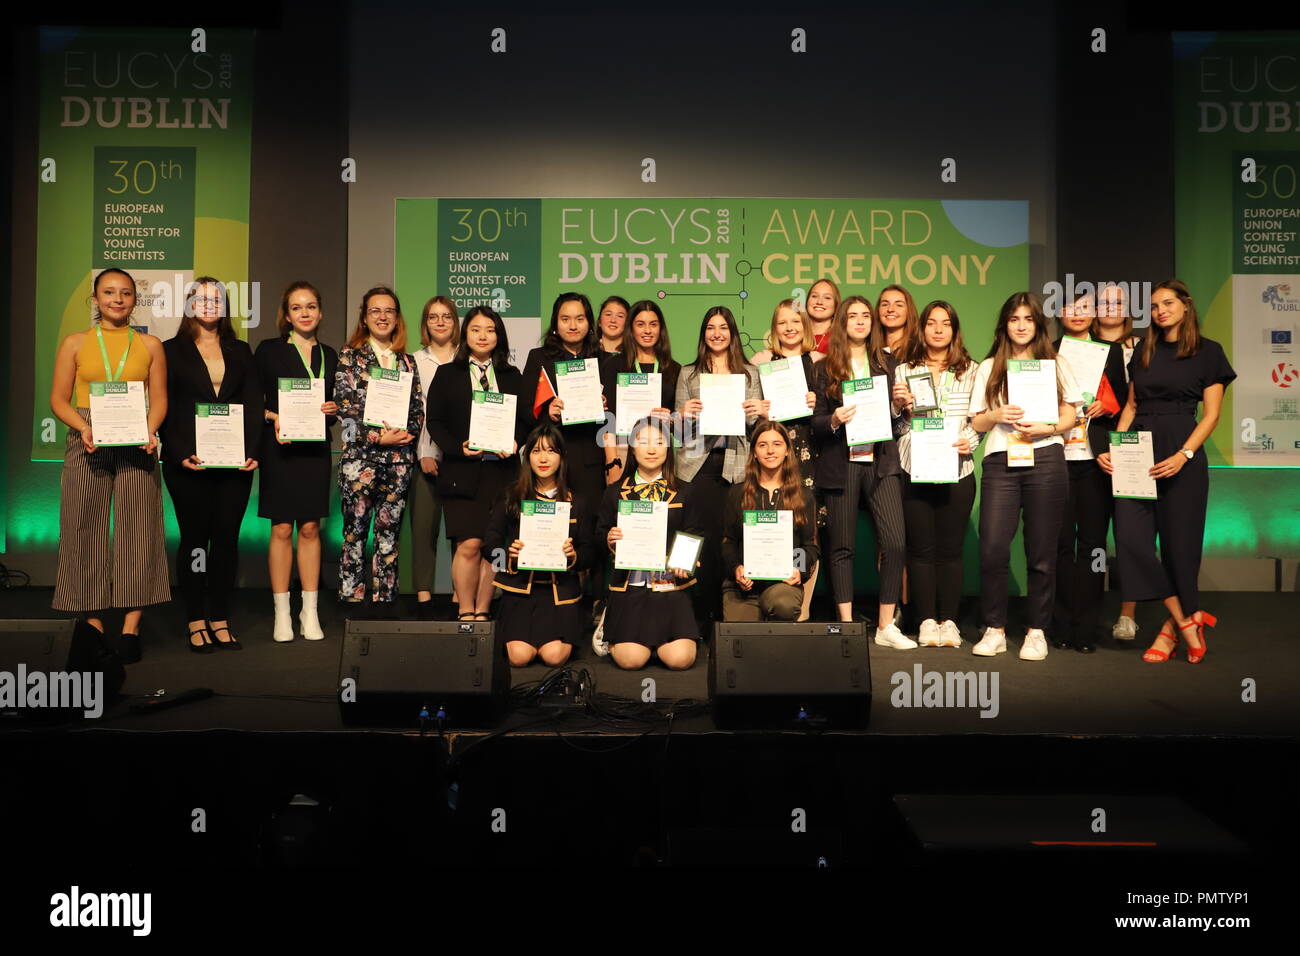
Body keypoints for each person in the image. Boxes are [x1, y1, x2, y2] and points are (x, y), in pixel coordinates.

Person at [1098, 279, 1234, 664]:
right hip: (1137, 450)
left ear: (1186, 306)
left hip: (1182, 452)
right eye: (1155, 305)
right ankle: (1188, 620)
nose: (1160, 311)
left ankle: (1168, 631)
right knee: (1131, 541)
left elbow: (1212, 415)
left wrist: (1184, 454)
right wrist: (1116, 444)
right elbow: (1131, 406)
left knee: (1181, 549)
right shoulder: (1145, 348)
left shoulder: (1209, 353)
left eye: (1168, 303)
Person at [49, 267, 170, 663]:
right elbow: (58, 400)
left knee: (140, 529)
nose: (117, 299)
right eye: (109, 292)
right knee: (83, 526)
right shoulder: (75, 343)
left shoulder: (150, 345)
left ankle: (131, 628)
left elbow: (161, 399)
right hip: (88, 436)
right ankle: (94, 626)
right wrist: (84, 427)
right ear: (96, 299)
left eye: (125, 293)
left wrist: (149, 431)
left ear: (135, 300)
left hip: (136, 438)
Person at [969, 292, 1079, 660]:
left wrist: (1046, 429)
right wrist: (996, 416)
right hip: (1002, 461)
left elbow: (1070, 418)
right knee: (993, 548)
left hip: (1047, 457)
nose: (1021, 325)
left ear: (1038, 325)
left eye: (1028, 319)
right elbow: (977, 421)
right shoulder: (989, 368)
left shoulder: (1056, 363)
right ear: (1005, 325)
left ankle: (1036, 630)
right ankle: (994, 628)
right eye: (1014, 319)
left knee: (1042, 552)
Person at [160, 277, 262, 652]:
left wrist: (253, 451)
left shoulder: (240, 349)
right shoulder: (170, 350)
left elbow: (252, 403)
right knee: (194, 541)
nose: (208, 303)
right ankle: (195, 618)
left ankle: (219, 616)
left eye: (215, 298)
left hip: (233, 464)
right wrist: (179, 450)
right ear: (188, 305)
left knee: (225, 541)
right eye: (200, 298)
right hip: (188, 462)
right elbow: (163, 406)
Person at [811, 295, 911, 646]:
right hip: (842, 463)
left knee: (896, 542)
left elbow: (898, 422)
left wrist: (898, 408)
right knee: (842, 547)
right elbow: (816, 423)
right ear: (842, 322)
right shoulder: (824, 367)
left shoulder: (887, 362)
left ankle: (886, 626)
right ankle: (848, 625)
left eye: (865, 316)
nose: (859, 321)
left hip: (881, 462)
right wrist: (834, 419)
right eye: (852, 316)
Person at [425, 306, 524, 621]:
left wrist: (515, 442)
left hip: (502, 473)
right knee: (469, 544)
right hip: (461, 471)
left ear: (499, 336)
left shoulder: (511, 375)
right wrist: (458, 448)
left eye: (490, 330)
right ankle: (465, 610)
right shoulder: (447, 373)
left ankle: (483, 611)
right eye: (476, 329)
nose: (483, 336)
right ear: (465, 335)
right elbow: (435, 422)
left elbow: (525, 421)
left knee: (493, 547)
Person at [255, 281, 339, 642]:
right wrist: (273, 417)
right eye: (296, 307)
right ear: (286, 315)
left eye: (310, 307)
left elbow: (336, 406)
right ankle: (282, 613)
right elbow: (251, 399)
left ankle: (310, 611)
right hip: (280, 447)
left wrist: (333, 410)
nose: (304, 313)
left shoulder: (331, 355)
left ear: (320, 313)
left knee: (309, 529)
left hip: (315, 450)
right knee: (282, 529)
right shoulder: (269, 350)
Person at [894, 300, 980, 648]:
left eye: (946, 323)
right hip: (914, 465)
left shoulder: (971, 370)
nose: (938, 329)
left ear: (954, 330)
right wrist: (901, 409)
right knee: (920, 549)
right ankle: (926, 620)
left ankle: (950, 621)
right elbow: (897, 427)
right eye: (932, 323)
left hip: (957, 469)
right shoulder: (904, 370)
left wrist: (970, 441)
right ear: (923, 328)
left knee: (950, 549)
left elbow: (979, 421)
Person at [674, 306, 768, 622]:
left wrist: (760, 413)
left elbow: (757, 428)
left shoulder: (749, 373)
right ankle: (692, 613)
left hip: (736, 463)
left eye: (723, 327)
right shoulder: (688, 374)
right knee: (694, 537)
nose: (717, 333)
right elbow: (678, 431)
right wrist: (684, 415)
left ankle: (726, 614)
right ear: (703, 334)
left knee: (729, 538)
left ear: (732, 333)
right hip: (696, 464)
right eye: (711, 327)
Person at [334, 286, 423, 617]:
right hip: (360, 460)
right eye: (375, 311)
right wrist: (376, 438)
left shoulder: (407, 361)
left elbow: (416, 409)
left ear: (397, 318)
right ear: (364, 317)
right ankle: (353, 601)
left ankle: (385, 601)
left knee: (389, 534)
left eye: (389, 311)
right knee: (354, 532)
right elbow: (345, 408)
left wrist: (405, 434)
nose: (383, 317)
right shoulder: (350, 356)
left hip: (398, 461)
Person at [1052, 292, 1129, 653]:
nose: (1078, 314)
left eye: (1085, 308)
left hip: (1097, 459)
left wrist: (1107, 405)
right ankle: (1061, 623)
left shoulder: (1109, 352)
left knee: (1094, 546)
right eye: (1070, 307)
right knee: (1061, 544)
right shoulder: (1046, 350)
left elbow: (1127, 402)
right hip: (1056, 457)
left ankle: (1088, 626)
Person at [598, 417, 703, 670]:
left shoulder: (685, 491)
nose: (652, 449)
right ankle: (608, 622)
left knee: (680, 661)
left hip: (670, 589)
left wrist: (684, 561)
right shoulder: (614, 492)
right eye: (643, 442)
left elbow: (693, 531)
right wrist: (610, 540)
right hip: (630, 587)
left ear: (668, 448)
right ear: (633, 448)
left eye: (659, 442)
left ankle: (656, 642)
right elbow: (597, 535)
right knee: (632, 661)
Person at [484, 423, 593, 666]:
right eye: (536, 451)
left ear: (562, 457)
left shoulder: (577, 502)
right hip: (520, 590)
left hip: (560, 593)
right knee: (519, 658)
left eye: (551, 451)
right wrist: (507, 554)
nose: (543, 458)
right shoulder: (511, 497)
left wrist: (573, 555)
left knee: (554, 658)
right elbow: (489, 544)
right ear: (527, 457)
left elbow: (590, 552)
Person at [749, 299, 824, 620]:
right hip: (772, 449)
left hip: (811, 451)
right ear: (774, 327)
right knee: (771, 524)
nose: (790, 328)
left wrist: (819, 402)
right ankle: (768, 601)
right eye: (782, 323)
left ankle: (802, 610)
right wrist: (760, 409)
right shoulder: (760, 359)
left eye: (796, 321)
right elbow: (747, 412)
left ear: (805, 326)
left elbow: (833, 410)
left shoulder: (820, 360)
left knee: (808, 531)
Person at [720, 420, 819, 621]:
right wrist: (736, 568)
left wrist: (796, 568)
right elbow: (728, 541)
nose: (770, 451)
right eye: (762, 445)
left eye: (777, 444)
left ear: (787, 451)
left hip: (782, 585)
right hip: (744, 587)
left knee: (783, 605)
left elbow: (810, 546)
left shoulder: (803, 495)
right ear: (754, 452)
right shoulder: (737, 492)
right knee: (740, 641)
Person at [1094, 281, 1145, 641]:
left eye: (1118, 302)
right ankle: (1089, 612)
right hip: (1090, 447)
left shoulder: (1144, 347)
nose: (1111, 307)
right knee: (1093, 538)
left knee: (1131, 533)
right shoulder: (1077, 347)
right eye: (1104, 302)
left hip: (1134, 446)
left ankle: (1128, 614)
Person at [410, 296, 460, 618]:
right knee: (423, 528)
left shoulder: (468, 360)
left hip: (461, 456)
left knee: (461, 529)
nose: (440, 322)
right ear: (425, 324)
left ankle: (461, 593)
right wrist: (425, 451)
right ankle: (424, 596)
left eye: (446, 317)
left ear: (456, 322)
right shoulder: (413, 361)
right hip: (424, 456)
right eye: (433, 317)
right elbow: (416, 413)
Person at [599, 299, 681, 486]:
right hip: (621, 449)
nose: (647, 331)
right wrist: (612, 462)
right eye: (640, 324)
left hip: (660, 452)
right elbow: (607, 418)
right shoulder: (614, 365)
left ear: (661, 329)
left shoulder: (673, 369)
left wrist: (673, 417)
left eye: (653, 324)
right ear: (631, 328)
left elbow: (680, 426)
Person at [805, 278, 839, 355]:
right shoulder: (795, 336)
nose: (819, 302)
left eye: (827, 298)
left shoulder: (842, 339)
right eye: (814, 296)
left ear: (836, 305)